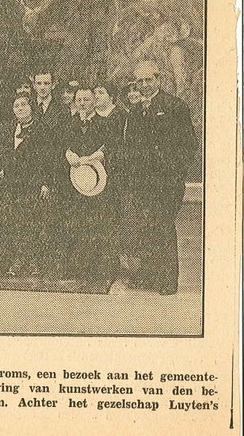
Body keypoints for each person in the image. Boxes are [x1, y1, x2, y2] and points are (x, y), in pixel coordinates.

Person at [118, 60, 197, 295]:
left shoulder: (174, 106)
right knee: (147, 229)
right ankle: (150, 278)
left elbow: (188, 145)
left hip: (166, 183)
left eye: (148, 80)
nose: (143, 84)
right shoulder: (135, 112)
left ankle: (167, 282)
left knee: (163, 227)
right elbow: (130, 149)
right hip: (142, 184)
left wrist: (174, 173)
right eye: (139, 81)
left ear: (158, 79)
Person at [59, 86, 119, 280]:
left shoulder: (105, 123)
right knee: (76, 223)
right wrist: (68, 153)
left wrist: (100, 154)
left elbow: (113, 144)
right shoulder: (68, 123)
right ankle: (78, 268)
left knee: (98, 223)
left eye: (87, 99)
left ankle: (101, 270)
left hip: (98, 183)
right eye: (79, 100)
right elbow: (60, 145)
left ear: (94, 101)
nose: (83, 103)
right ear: (75, 102)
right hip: (74, 182)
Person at [0, 91, 57, 277]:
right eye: (16, 106)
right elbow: (3, 153)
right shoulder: (8, 129)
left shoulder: (42, 130)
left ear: (32, 108)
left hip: (33, 184)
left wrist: (46, 182)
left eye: (24, 105)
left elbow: (49, 159)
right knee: (15, 222)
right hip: (12, 184)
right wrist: (0, 166)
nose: (20, 108)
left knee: (34, 222)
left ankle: (33, 262)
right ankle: (18, 259)